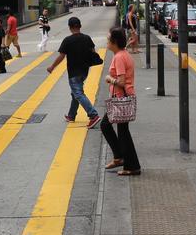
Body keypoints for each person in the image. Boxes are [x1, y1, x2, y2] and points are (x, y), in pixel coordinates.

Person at [48, 16, 102, 128]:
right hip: (85, 71)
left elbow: (61, 56)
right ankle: (71, 115)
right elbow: (93, 52)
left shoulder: (68, 40)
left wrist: (52, 66)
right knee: (75, 93)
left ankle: (93, 115)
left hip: (73, 72)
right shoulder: (87, 38)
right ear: (80, 26)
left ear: (69, 27)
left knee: (78, 94)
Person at [100, 28, 139, 175]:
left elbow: (121, 81)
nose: (107, 41)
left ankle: (129, 165)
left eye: (108, 38)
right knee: (121, 131)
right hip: (122, 97)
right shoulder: (123, 54)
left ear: (114, 42)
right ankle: (121, 159)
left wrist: (110, 79)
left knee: (111, 128)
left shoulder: (119, 57)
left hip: (120, 98)